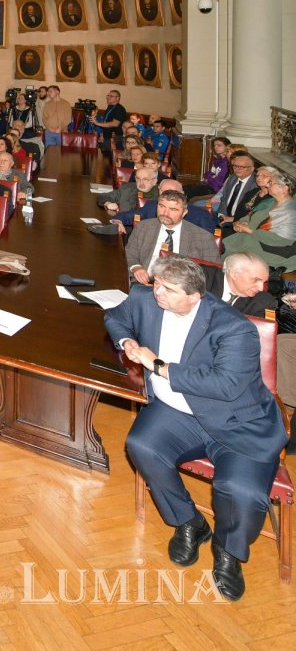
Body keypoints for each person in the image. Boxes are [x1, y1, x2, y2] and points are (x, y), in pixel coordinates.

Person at [106, 254, 287, 601]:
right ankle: (189, 521)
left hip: (237, 420)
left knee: (240, 490)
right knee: (142, 444)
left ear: (195, 296)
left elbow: (226, 385)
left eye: (169, 289)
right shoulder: (145, 299)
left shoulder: (234, 327)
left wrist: (157, 365)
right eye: (157, 284)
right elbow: (116, 317)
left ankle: (228, 550)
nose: (158, 293)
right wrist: (127, 343)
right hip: (178, 413)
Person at [125, 192, 221, 284]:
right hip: (144, 283)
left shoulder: (203, 237)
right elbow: (130, 253)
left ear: (184, 213)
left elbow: (213, 271)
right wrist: (136, 267)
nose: (165, 213)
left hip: (181, 290)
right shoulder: (143, 227)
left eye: (173, 209)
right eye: (162, 206)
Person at [223, 172, 296, 269]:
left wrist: (249, 231)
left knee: (227, 255)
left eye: (271, 183)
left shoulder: (291, 212)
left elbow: (282, 241)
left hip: (270, 250)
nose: (267, 185)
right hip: (249, 239)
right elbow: (251, 214)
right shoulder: (270, 201)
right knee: (219, 246)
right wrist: (243, 222)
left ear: (284, 188)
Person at [206, 253, 278, 318]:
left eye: (264, 282)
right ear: (234, 273)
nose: (261, 288)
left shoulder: (264, 302)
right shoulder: (200, 278)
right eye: (256, 280)